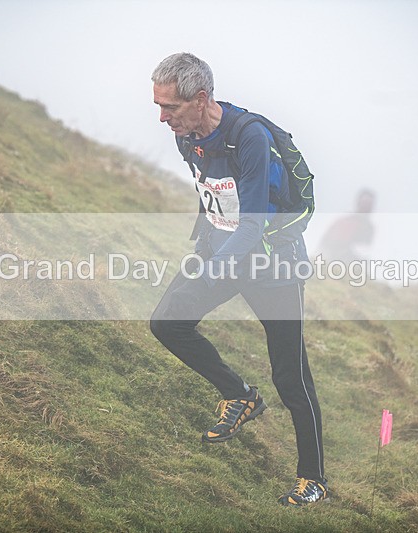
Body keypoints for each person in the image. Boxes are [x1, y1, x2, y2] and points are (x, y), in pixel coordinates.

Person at [148, 52, 326, 507]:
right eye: (158, 107)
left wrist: (213, 268)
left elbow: (251, 224)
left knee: (291, 377)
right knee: (166, 322)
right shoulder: (186, 135)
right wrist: (206, 249)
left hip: (273, 266)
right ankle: (240, 396)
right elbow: (213, 199)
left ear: (201, 98)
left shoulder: (250, 137)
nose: (163, 118)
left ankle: (314, 480)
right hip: (222, 251)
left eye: (170, 108)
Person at [319, 188, 376, 262]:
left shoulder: (369, 227)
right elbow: (326, 244)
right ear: (358, 203)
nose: (367, 207)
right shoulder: (344, 222)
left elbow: (365, 249)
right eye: (364, 203)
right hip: (334, 260)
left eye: (369, 204)